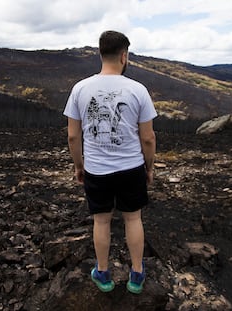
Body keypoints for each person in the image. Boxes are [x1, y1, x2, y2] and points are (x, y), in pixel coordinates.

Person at [63, 30, 157, 294]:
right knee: (133, 219)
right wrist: (148, 168)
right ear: (124, 56)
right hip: (131, 168)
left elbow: (73, 135)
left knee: (101, 221)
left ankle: (102, 272)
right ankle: (136, 274)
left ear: (100, 54)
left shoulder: (80, 88)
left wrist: (79, 166)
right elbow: (148, 137)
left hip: (96, 169)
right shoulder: (137, 89)